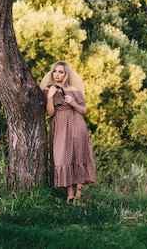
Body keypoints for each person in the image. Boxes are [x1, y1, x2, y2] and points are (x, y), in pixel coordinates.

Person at [40, 60, 96, 203]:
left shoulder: (74, 90)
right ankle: (69, 194)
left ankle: (77, 195)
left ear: (66, 74)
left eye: (61, 72)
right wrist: (50, 97)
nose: (57, 74)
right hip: (59, 126)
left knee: (79, 156)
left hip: (77, 124)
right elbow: (50, 113)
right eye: (55, 71)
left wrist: (73, 103)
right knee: (62, 158)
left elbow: (83, 111)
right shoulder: (48, 90)